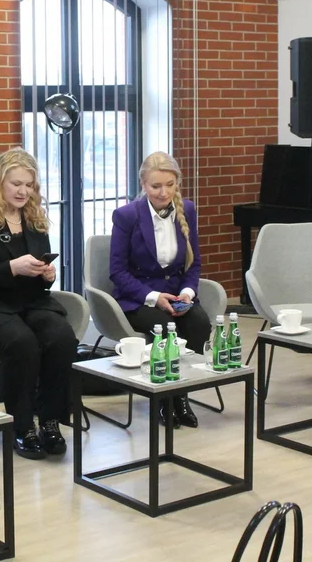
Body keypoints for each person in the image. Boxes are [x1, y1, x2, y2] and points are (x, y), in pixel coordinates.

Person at [0, 148, 77, 459]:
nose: (23, 191)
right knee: (22, 343)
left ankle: (50, 420)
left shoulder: (34, 218)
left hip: (29, 300)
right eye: (16, 184)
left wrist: (46, 275)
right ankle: (22, 426)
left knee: (61, 337)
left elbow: (39, 273)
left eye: (29, 185)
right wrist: (11, 268)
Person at [109, 151, 212, 428]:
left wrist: (188, 293)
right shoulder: (126, 216)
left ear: (177, 182)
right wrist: (154, 298)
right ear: (143, 184)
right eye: (156, 186)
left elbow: (194, 263)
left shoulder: (187, 209)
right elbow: (117, 272)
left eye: (170, 185)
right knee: (166, 329)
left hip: (177, 294)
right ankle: (163, 400)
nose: (164, 193)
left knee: (200, 323)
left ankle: (180, 395)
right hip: (138, 298)